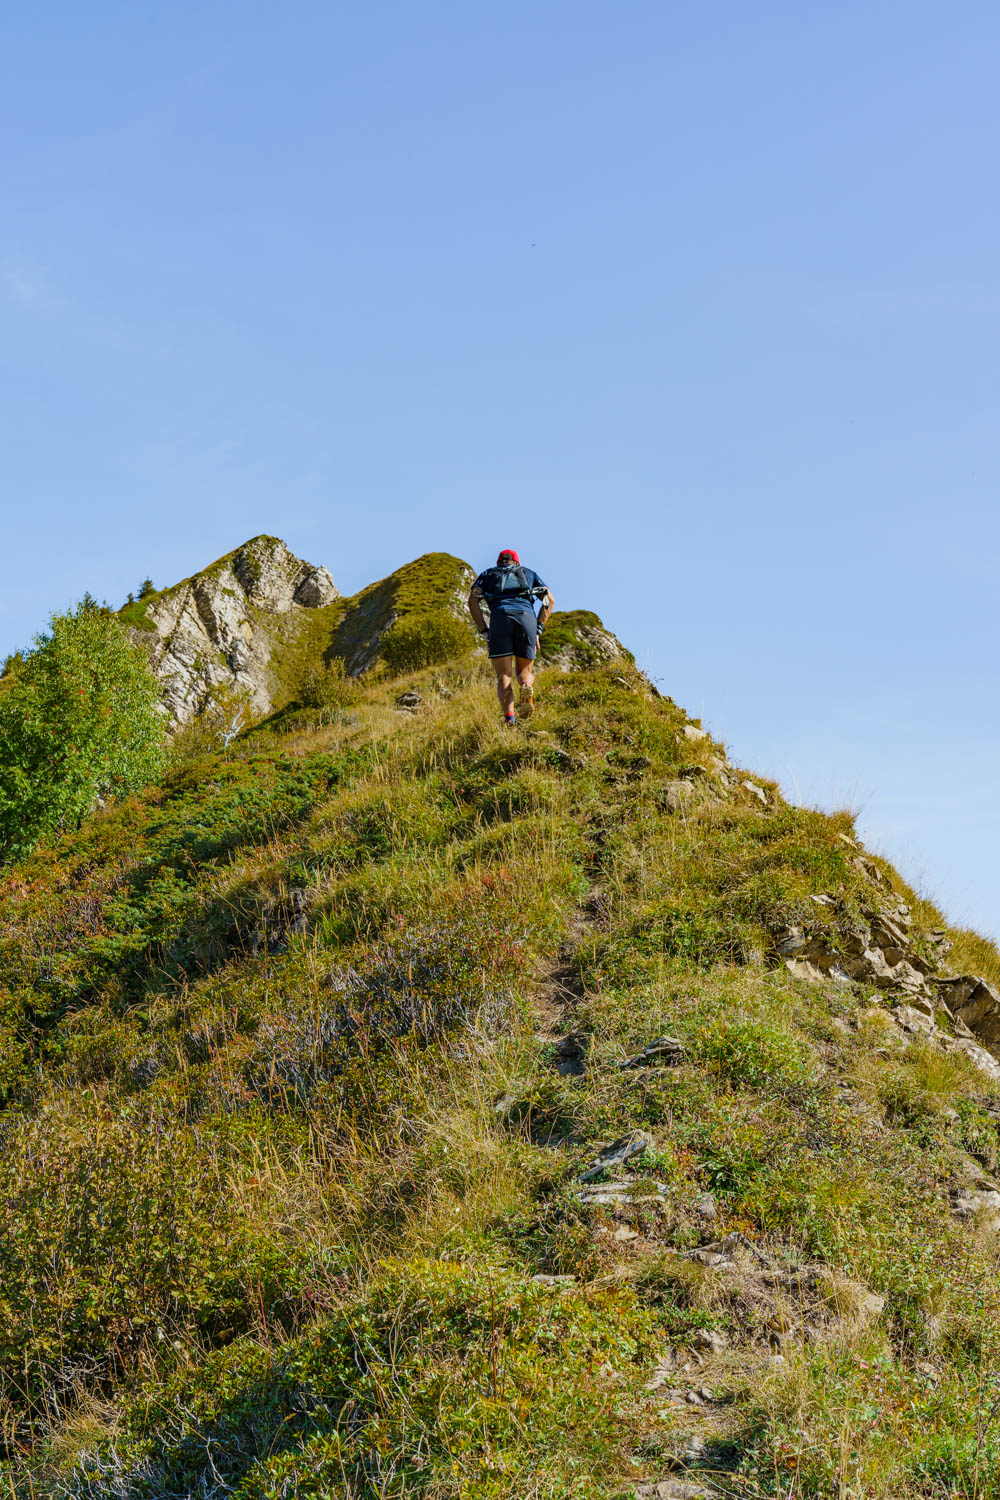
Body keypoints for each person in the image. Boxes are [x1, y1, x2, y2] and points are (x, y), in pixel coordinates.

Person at [467, 549, 554, 727]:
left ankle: (510, 720)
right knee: (524, 672)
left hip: (500, 619)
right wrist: (538, 629)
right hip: (526, 619)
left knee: (504, 676)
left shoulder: (487, 574)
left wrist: (484, 630)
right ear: (516, 562)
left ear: (499, 562)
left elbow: (472, 601)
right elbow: (549, 600)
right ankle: (525, 685)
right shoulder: (528, 573)